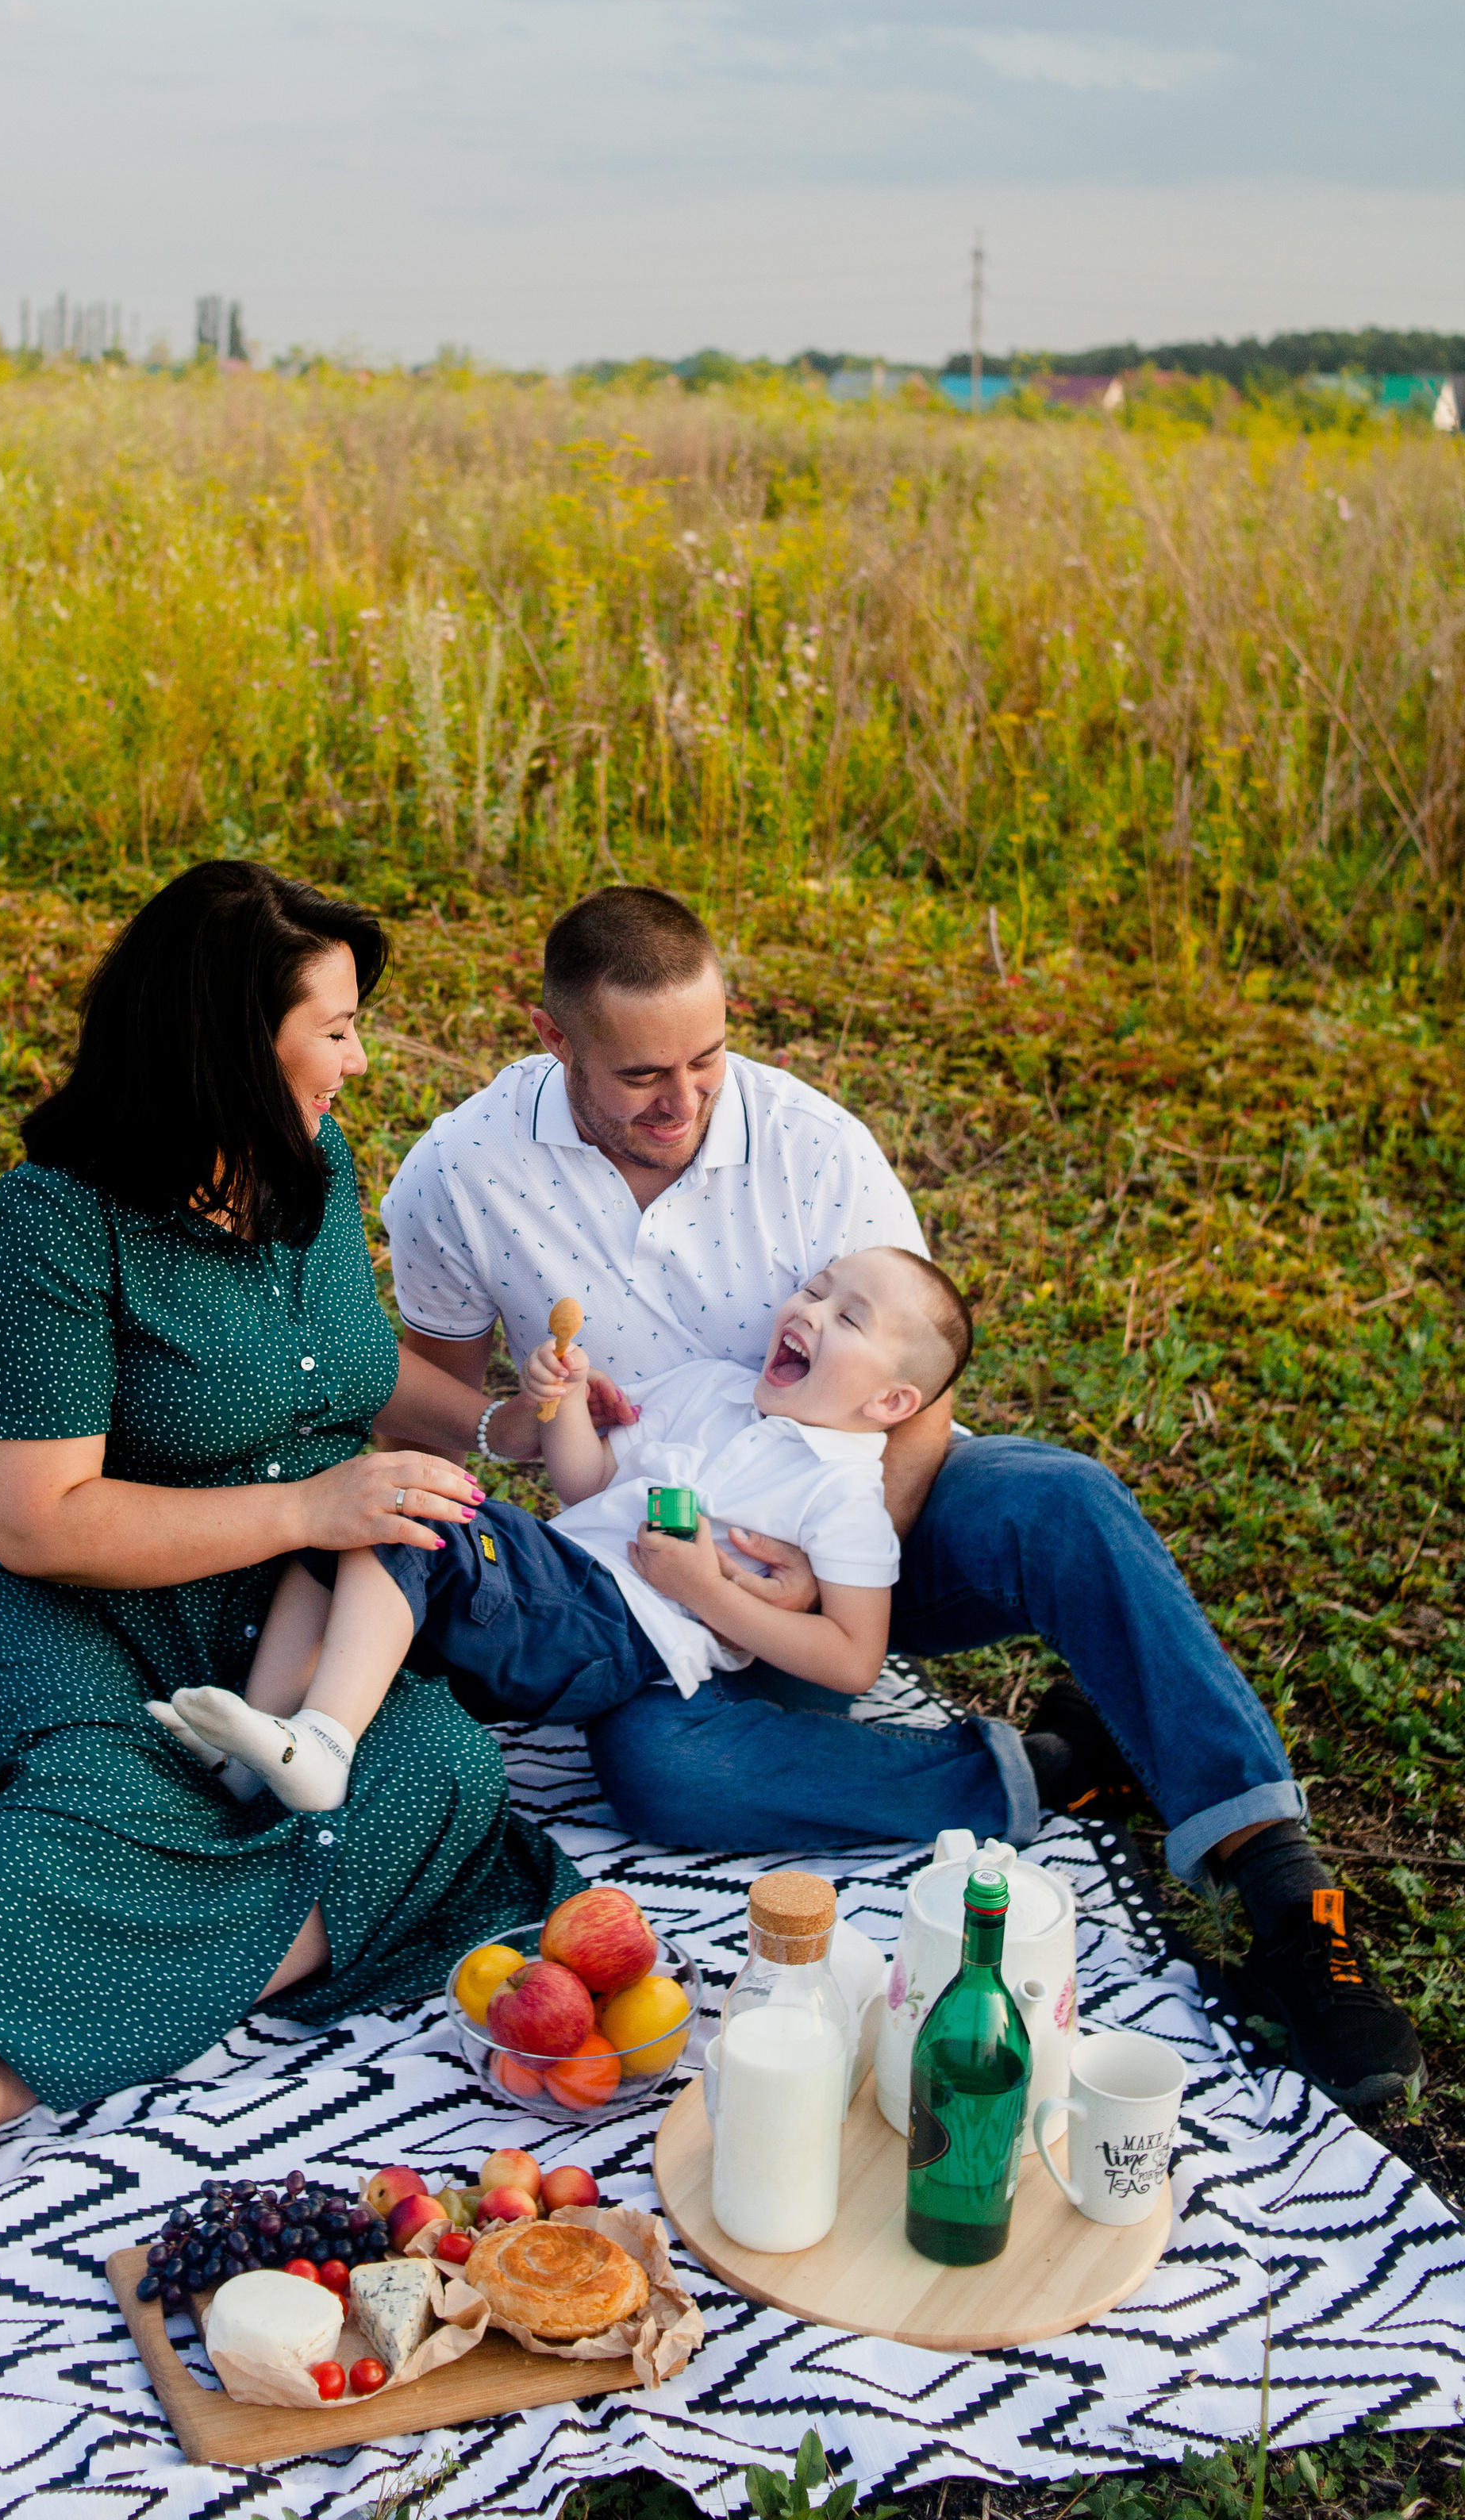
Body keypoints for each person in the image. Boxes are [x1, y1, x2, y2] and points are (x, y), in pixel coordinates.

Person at [0, 862, 577, 2415]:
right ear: (227, 1039)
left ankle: (8, 2060)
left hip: (264, 1618)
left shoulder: (312, 1163)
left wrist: (494, 1424)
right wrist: (311, 1513)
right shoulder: (53, 1233)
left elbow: (339, 1380)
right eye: (333, 1029)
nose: (358, 1062)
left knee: (429, 1774)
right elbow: (38, 1520)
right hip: (60, 1617)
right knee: (113, 1801)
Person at [378, 883, 1425, 2117]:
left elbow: (912, 1392)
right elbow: (427, 1386)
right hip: (661, 1584)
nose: (686, 1102)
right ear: (556, 1042)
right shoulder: (465, 1166)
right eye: (644, 1076)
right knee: (662, 1773)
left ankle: (1284, 1891)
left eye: (709, 1059)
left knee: (1061, 1499)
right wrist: (527, 1427)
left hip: (870, 1521)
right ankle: (1040, 1772)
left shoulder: (816, 1144)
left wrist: (825, 1581)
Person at [157, 1248, 970, 1806]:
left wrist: (705, 1592)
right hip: (559, 1581)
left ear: (891, 1403)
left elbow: (854, 1661)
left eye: (849, 1317)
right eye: (817, 1288)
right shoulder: (710, 1389)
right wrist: (567, 1400)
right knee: (348, 1519)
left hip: (613, 1632)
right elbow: (587, 1484)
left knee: (413, 1507)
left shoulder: (842, 1499)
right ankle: (253, 1755)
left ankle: (325, 1741)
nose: (812, 1309)